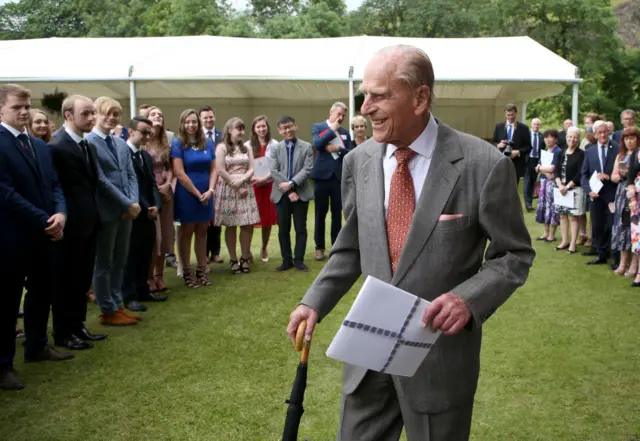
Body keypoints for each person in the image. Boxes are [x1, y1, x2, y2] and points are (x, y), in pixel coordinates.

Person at [287, 45, 535, 440]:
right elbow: (351, 247)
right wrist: (312, 301)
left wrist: (467, 300)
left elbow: (514, 254)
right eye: (365, 95)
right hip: (368, 357)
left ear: (420, 97)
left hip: (438, 360)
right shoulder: (359, 162)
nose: (366, 107)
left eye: (380, 95)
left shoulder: (483, 165)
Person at [0, 84, 73, 391]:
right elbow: (5, 193)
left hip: (45, 233)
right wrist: (44, 218)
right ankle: (2, 365)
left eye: (27, 106)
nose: (25, 111)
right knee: (6, 300)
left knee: (43, 290)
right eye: (18, 106)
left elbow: (55, 185)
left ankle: (37, 345)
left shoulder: (40, 146)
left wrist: (61, 213)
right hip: (12, 236)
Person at [50, 95, 126, 349]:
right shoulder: (57, 146)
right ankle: (64, 332)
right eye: (86, 113)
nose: (92, 118)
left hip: (90, 222)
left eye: (93, 113)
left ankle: (78, 325)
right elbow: (56, 188)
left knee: (82, 278)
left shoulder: (86, 145)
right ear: (68, 115)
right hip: (70, 225)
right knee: (67, 280)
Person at [87, 97, 142, 326]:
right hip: (107, 210)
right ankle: (107, 310)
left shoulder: (120, 143)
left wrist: (134, 203)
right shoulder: (89, 142)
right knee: (104, 262)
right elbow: (99, 179)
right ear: (96, 114)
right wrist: (126, 204)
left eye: (116, 114)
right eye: (107, 113)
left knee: (120, 260)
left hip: (127, 211)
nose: (111, 118)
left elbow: (130, 175)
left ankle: (117, 304)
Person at [171, 109, 217, 288]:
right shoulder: (178, 144)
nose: (191, 125)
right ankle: (187, 272)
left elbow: (214, 169)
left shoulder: (208, 143)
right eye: (187, 122)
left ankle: (201, 270)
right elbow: (179, 173)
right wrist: (198, 195)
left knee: (202, 233)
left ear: (199, 124)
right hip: (187, 195)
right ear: (182, 124)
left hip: (207, 193)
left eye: (194, 122)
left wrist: (211, 190)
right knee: (186, 234)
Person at [122, 117, 164, 312]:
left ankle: (142, 289)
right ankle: (129, 296)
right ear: (131, 131)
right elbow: (131, 185)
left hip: (148, 212)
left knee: (145, 253)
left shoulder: (145, 156)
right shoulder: (123, 154)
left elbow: (152, 184)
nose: (148, 135)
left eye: (150, 132)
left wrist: (156, 204)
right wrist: (147, 205)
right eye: (144, 132)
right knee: (130, 254)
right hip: (132, 211)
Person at [214, 117, 260, 274]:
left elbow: (252, 168)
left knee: (247, 224)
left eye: (242, 129)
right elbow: (220, 169)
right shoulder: (221, 148)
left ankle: (245, 258)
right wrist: (235, 184)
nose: (241, 132)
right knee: (231, 224)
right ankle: (233, 259)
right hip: (228, 190)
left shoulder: (247, 148)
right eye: (238, 129)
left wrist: (243, 181)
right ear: (229, 130)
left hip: (245, 189)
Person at [270, 116, 314, 272]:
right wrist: (289, 190)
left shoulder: (307, 147)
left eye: (290, 126)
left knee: (300, 228)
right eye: (284, 128)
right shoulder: (275, 148)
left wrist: (292, 184)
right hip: (281, 194)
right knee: (283, 229)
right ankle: (286, 260)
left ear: (295, 126)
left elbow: (307, 169)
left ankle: (299, 260)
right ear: (279, 131)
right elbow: (274, 170)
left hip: (301, 193)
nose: (287, 130)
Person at [311, 102, 353, 261]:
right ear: (331, 112)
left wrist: (339, 149)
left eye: (343, 115)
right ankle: (319, 248)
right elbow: (317, 144)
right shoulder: (318, 127)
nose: (341, 118)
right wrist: (331, 130)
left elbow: (350, 152)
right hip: (321, 178)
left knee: (337, 215)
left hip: (338, 178)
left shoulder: (345, 132)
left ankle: (336, 247)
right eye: (339, 114)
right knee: (320, 214)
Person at [141, 106, 173, 294]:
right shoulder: (142, 142)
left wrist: (168, 184)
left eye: (160, 114)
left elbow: (169, 167)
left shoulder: (165, 141)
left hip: (166, 192)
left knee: (166, 237)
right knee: (155, 237)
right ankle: (149, 276)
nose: (157, 117)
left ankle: (160, 276)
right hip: (149, 192)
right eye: (153, 114)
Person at [580, 120, 618, 265]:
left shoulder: (617, 148)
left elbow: (622, 171)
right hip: (595, 195)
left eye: (605, 132)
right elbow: (584, 174)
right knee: (597, 226)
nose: (603, 135)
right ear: (595, 135)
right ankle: (601, 255)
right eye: (599, 133)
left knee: (612, 225)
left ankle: (614, 256)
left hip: (612, 194)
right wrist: (589, 191)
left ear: (608, 132)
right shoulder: (589, 151)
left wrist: (609, 177)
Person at [246, 115, 279, 262]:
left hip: (269, 186)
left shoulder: (275, 144)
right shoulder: (247, 145)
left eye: (263, 126)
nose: (261, 129)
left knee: (266, 219)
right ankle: (247, 251)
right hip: (253, 186)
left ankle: (264, 248)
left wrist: (264, 178)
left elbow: (277, 165)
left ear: (268, 127)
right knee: (250, 220)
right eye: (258, 126)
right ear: (254, 129)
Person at [553, 127, 586, 253]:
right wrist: (560, 185)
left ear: (578, 139)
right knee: (562, 216)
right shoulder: (560, 152)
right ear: (566, 138)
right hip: (560, 189)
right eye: (570, 137)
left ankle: (573, 244)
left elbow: (580, 173)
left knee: (573, 217)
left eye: (575, 137)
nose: (572, 139)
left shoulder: (581, 154)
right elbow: (555, 170)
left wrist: (567, 186)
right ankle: (564, 241)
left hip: (574, 189)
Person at [200, 106, 224, 265]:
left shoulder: (222, 135)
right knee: (203, 220)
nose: (209, 120)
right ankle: (204, 253)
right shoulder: (196, 135)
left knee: (217, 219)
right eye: (205, 118)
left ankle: (215, 252)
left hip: (221, 180)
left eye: (211, 117)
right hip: (203, 180)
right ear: (201, 119)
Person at [491, 104, 531, 185]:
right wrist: (498, 145)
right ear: (505, 114)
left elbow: (529, 147)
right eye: (508, 115)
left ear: (516, 113)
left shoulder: (523, 128)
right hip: (501, 162)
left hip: (516, 165)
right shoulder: (499, 126)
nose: (510, 117)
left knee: (513, 188)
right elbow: (493, 142)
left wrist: (517, 152)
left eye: (512, 115)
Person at [535, 130, 562, 243]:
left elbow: (552, 169)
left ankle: (552, 234)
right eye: (546, 137)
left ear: (555, 139)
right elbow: (538, 167)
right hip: (543, 183)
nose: (548, 139)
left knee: (552, 208)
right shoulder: (545, 151)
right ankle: (545, 233)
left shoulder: (558, 151)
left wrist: (541, 170)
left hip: (553, 184)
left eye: (551, 137)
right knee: (543, 206)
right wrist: (543, 171)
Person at [524, 118, 545, 212]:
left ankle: (530, 202)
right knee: (527, 182)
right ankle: (527, 204)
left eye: (537, 124)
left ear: (539, 126)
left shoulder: (541, 136)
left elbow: (543, 150)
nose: (536, 126)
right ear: (531, 125)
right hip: (528, 160)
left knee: (533, 182)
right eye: (534, 124)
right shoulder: (526, 135)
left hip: (537, 161)